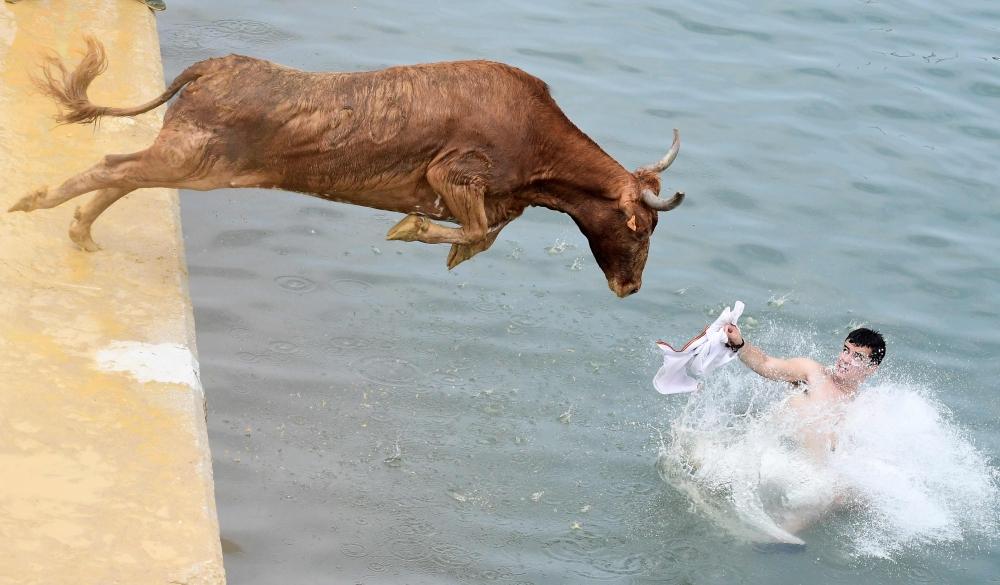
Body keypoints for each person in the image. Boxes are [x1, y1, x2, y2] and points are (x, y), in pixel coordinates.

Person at [723, 325, 886, 458]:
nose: (845, 359)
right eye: (845, 350)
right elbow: (765, 365)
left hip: (803, 476)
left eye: (857, 357)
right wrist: (740, 344)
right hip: (763, 454)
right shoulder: (812, 373)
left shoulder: (860, 409)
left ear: (871, 368)